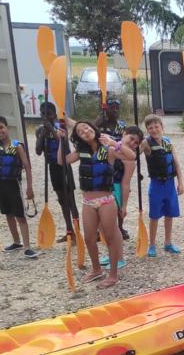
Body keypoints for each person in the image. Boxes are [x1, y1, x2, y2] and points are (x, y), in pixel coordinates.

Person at [60, 120, 140, 288]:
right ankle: (96, 269)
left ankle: (113, 275)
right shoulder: (81, 152)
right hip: (88, 201)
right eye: (80, 131)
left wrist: (114, 143)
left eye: (86, 127)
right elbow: (62, 161)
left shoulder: (108, 149)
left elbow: (132, 156)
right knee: (89, 238)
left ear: (93, 129)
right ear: (79, 137)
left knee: (110, 238)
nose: (85, 131)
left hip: (106, 201)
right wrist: (63, 140)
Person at [0, 115, 35, 258]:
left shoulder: (17, 146)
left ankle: (27, 247)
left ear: (6, 127)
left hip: (13, 184)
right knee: (8, 214)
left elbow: (27, 167)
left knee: (20, 216)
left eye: (1, 127)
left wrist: (29, 188)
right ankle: (16, 242)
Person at [139, 114, 184, 257]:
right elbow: (133, 155)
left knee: (169, 214)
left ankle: (168, 243)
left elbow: (176, 163)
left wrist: (180, 182)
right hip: (156, 185)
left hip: (170, 185)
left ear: (162, 127)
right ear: (147, 130)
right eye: (150, 128)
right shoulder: (146, 143)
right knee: (154, 216)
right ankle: (152, 244)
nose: (154, 130)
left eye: (156, 126)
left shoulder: (167, 141)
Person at [35, 101, 79, 239]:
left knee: (70, 200)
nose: (45, 117)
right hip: (53, 167)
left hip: (64, 167)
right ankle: (69, 231)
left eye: (48, 114)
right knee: (62, 200)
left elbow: (64, 147)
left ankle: (77, 232)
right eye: (43, 114)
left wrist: (53, 131)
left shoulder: (61, 127)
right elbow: (38, 151)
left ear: (54, 114)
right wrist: (43, 135)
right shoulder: (40, 130)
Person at [95, 99, 132, 241]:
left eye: (117, 108)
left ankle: (120, 226)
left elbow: (127, 142)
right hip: (103, 162)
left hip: (119, 163)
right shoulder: (100, 124)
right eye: (112, 108)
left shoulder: (122, 126)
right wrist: (99, 120)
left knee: (120, 196)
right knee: (101, 196)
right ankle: (100, 229)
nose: (115, 110)